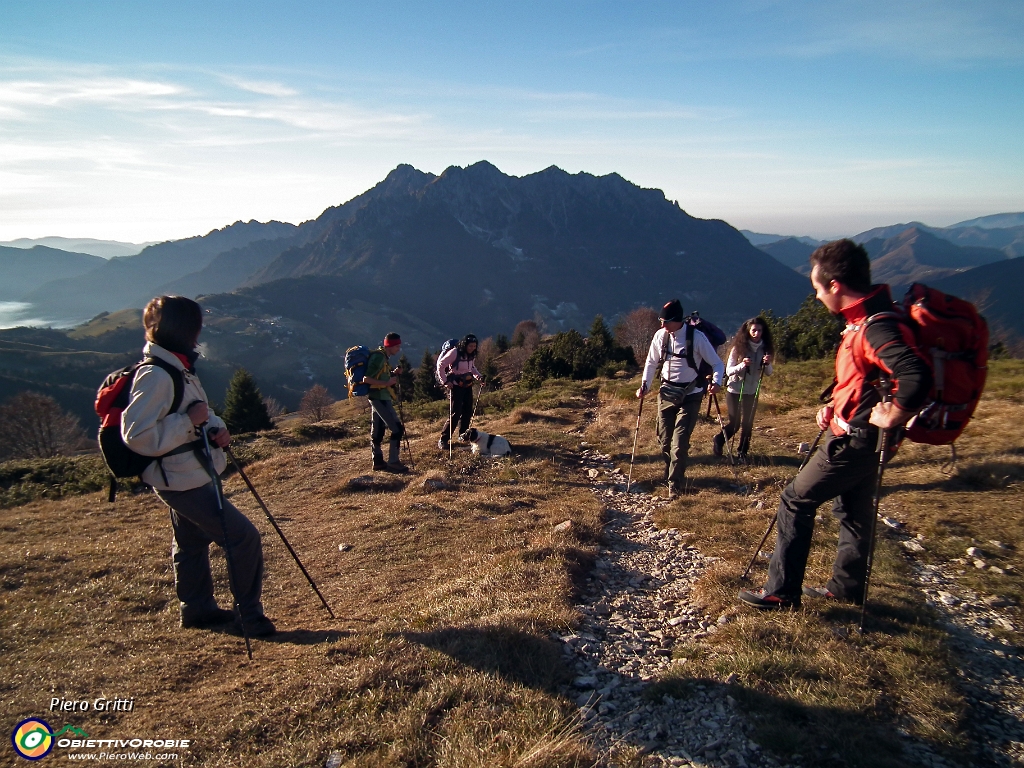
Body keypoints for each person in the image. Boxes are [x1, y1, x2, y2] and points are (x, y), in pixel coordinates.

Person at [739, 240, 932, 610]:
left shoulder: (875, 328)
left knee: (795, 500)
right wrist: (836, 405)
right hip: (870, 440)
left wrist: (894, 414)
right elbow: (866, 380)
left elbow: (914, 373)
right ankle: (846, 586)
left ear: (835, 286)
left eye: (816, 288)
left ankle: (782, 592)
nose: (815, 296)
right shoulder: (873, 318)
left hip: (853, 442)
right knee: (855, 509)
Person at [121, 296, 274, 636]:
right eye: (196, 327)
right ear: (185, 330)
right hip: (180, 478)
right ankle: (249, 616)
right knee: (243, 537)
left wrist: (214, 426)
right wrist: (190, 422)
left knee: (191, 542)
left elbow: (195, 411)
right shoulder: (157, 375)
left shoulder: (176, 367)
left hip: (188, 472)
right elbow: (137, 435)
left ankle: (197, 609)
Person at [638, 299, 725, 498]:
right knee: (664, 439)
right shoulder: (661, 336)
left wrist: (717, 383)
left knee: (679, 442)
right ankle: (671, 472)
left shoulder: (698, 338)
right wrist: (645, 385)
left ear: (678, 321)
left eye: (666, 321)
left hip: (691, 395)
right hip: (667, 392)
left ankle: (674, 485)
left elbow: (717, 364)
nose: (662, 325)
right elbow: (651, 363)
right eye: (661, 321)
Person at [714, 317, 774, 460]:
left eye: (759, 330)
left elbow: (769, 372)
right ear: (748, 331)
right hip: (735, 389)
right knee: (735, 424)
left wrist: (768, 363)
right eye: (754, 330)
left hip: (752, 390)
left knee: (748, 423)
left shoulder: (765, 349)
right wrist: (742, 365)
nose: (757, 333)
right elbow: (728, 371)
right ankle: (719, 440)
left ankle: (743, 452)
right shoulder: (738, 348)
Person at [363, 332, 409, 473]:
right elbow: (366, 379)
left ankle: (378, 462)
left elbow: (381, 376)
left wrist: (394, 374)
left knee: (377, 430)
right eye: (397, 346)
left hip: (380, 396)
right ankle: (393, 462)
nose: (399, 349)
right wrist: (387, 382)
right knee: (397, 429)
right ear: (390, 345)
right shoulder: (379, 357)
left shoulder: (383, 357)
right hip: (379, 397)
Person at [436, 334, 485, 451]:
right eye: (470, 345)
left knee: (467, 411)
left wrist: (479, 377)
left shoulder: (471, 355)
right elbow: (441, 365)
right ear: (465, 344)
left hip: (467, 384)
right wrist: (445, 381)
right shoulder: (455, 352)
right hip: (456, 385)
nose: (472, 348)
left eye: (474, 346)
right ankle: (443, 439)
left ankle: (463, 436)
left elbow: (471, 368)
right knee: (455, 413)